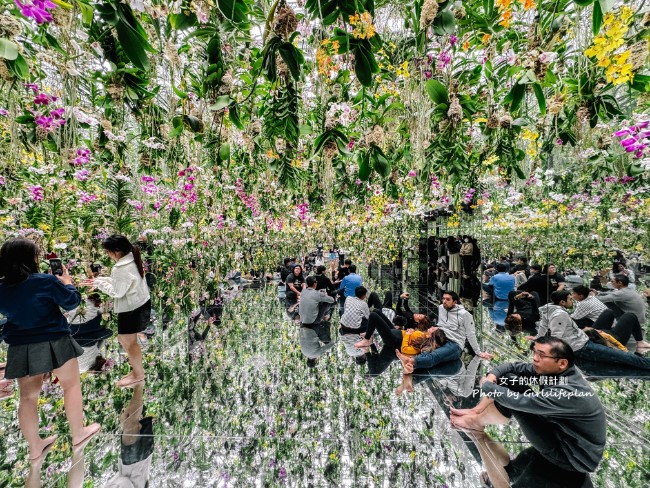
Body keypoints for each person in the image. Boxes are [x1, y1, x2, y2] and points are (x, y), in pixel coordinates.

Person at [450, 336, 606, 488]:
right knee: (510, 379)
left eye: (542, 355)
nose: (535, 359)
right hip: (560, 434)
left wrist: (487, 385)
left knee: (511, 396)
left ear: (562, 363)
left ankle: (475, 428)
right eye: (535, 352)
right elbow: (511, 368)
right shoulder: (557, 373)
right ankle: (475, 414)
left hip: (572, 457)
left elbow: (520, 402)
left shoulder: (568, 392)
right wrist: (492, 377)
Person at [0, 238, 100, 459]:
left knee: (27, 397)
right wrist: (67, 282)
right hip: (55, 341)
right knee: (71, 386)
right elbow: (71, 303)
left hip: (21, 346)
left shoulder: (2, 288)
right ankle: (78, 433)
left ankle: (35, 447)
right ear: (30, 258)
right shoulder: (45, 281)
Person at [82, 235, 151, 387]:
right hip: (137, 304)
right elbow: (122, 283)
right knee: (123, 339)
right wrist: (98, 280)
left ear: (117, 251)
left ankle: (138, 375)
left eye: (108, 251)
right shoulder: (130, 258)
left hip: (132, 308)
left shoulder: (121, 268)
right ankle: (136, 371)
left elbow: (117, 291)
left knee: (130, 342)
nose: (107, 255)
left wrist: (99, 283)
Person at [530, 290, 650, 370]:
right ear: (562, 302)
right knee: (628, 356)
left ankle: (638, 343)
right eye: (570, 299)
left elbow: (543, 328)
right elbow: (556, 339)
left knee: (608, 312)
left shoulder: (548, 310)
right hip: (585, 346)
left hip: (588, 337)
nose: (573, 301)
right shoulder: (559, 315)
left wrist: (537, 339)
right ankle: (643, 352)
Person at [396, 291, 493, 372]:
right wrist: (433, 330)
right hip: (440, 337)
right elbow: (441, 324)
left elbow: (471, 334)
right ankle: (411, 369)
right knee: (424, 350)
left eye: (448, 299)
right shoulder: (441, 307)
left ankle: (411, 362)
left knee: (435, 356)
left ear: (455, 302)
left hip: (454, 344)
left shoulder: (465, 315)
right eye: (443, 298)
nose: (444, 301)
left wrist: (478, 352)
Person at [67, 293, 113, 373]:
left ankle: (92, 299)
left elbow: (103, 338)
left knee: (105, 319)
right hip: (72, 328)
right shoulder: (79, 370)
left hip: (89, 326)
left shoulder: (94, 359)